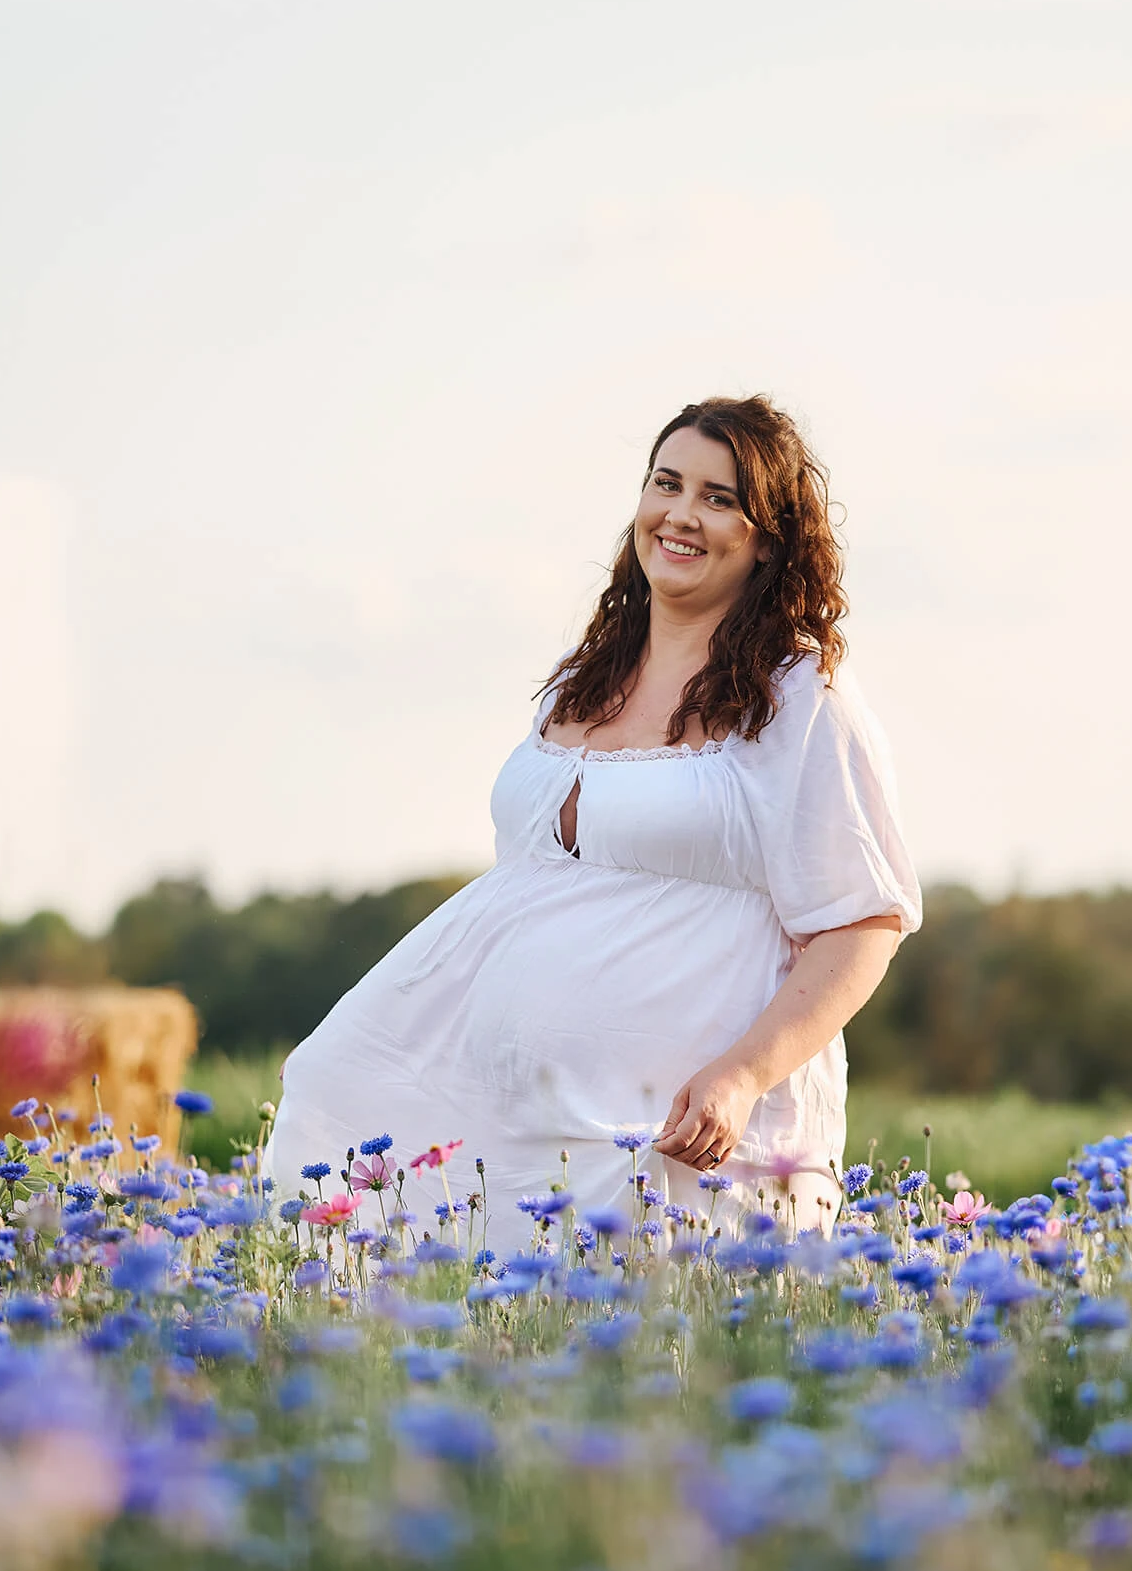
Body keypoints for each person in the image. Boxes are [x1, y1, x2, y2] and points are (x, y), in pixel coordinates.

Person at [267, 394, 920, 1250]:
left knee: (671, 1374)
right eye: (667, 483)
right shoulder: (579, 679)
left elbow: (863, 921)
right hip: (515, 1128)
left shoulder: (800, 695)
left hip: (679, 1140)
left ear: (768, 536)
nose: (681, 515)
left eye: (720, 498)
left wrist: (740, 1075)